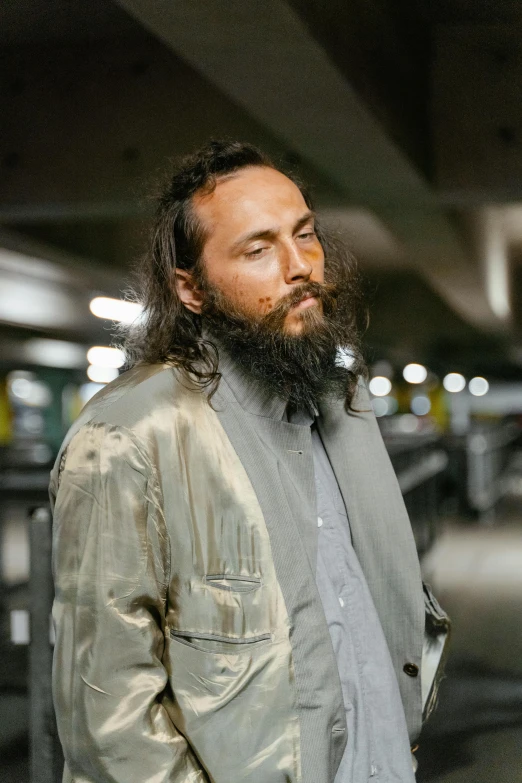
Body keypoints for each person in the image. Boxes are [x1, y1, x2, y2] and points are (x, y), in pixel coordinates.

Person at [50, 140, 450, 783]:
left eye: (306, 235)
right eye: (258, 249)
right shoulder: (128, 436)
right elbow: (109, 723)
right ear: (191, 288)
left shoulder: (343, 403)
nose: (301, 267)